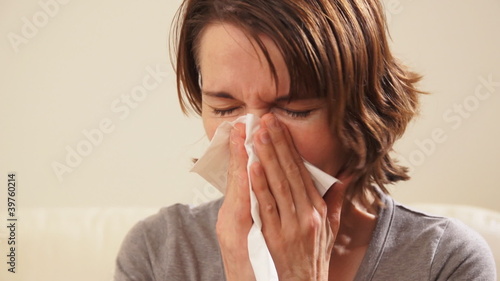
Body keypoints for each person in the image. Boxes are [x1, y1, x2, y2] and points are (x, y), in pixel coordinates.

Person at [114, 0, 497, 280]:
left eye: (294, 110)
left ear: (360, 110)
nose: (252, 140)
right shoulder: (158, 253)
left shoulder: (443, 260)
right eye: (225, 108)